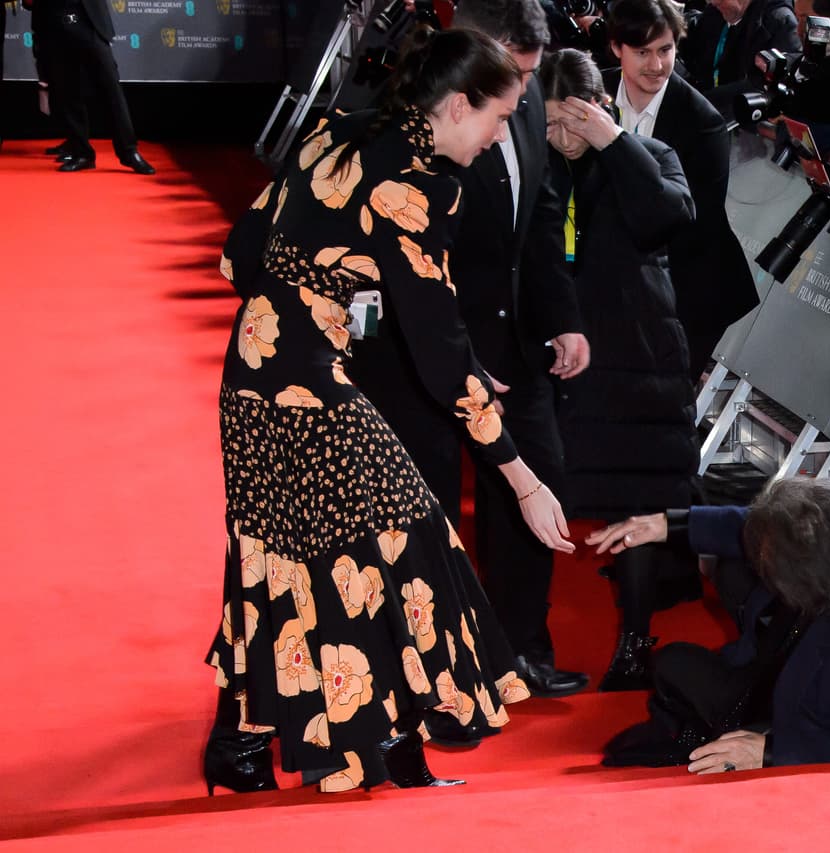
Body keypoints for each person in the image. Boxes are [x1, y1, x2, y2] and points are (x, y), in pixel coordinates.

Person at [204, 28, 556, 794]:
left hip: (251, 375)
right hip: (308, 389)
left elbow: (238, 253)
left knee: (286, 552)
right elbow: (440, 351)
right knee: (404, 539)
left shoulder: (337, 133)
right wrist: (522, 477)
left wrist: (310, 299)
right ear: (457, 105)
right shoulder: (416, 183)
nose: (500, 137)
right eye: (499, 119)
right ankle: (379, 744)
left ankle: (249, 747)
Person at [353, 0, 591, 698]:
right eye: (510, 77)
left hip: (514, 342)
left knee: (536, 482)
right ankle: (427, 671)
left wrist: (564, 317)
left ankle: (516, 652)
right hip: (427, 351)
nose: (519, 100)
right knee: (426, 511)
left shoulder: (524, 102)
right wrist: (452, 351)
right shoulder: (405, 131)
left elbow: (543, 219)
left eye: (531, 77)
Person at [586, 478, 830, 770]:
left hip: (820, 707)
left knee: (674, 665)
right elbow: (772, 524)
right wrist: (672, 524)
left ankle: (736, 719)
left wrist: (768, 751)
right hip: (813, 641)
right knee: (731, 573)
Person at [539, 48, 700, 690]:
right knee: (534, 495)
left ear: (600, 107)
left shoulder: (649, 157)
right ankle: (524, 643)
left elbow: (667, 218)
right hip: (560, 361)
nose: (563, 137)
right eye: (549, 123)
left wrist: (612, 142)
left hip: (640, 358)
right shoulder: (534, 165)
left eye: (573, 121)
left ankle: (636, 642)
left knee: (640, 504)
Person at [604, 0, 757, 383]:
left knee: (658, 412)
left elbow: (690, 224)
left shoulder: (702, 122)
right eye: (642, 53)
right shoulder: (593, 96)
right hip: (617, 285)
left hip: (690, 290)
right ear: (616, 47)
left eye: (665, 50)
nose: (656, 66)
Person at [26, 0, 154, 173]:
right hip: (52, 21)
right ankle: (82, 153)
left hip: (88, 18)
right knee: (66, 90)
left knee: (111, 89)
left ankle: (129, 151)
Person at [680, 0, 803, 110]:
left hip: (745, 122)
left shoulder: (778, 21)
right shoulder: (716, 12)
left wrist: (703, 102)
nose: (713, 2)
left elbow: (763, 86)